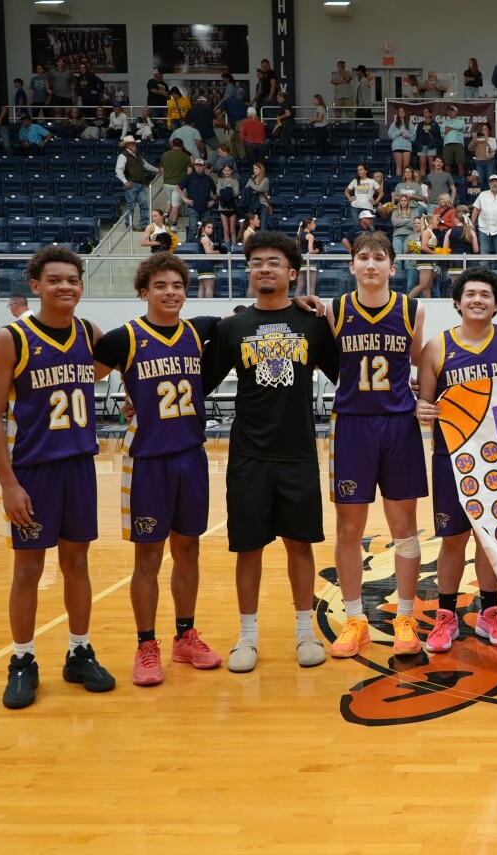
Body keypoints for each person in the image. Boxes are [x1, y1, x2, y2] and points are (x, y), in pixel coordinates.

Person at [0, 247, 115, 709]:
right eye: (55, 280)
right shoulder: (10, 337)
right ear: (35, 286)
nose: (66, 287)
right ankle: (22, 660)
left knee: (77, 565)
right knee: (29, 569)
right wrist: (9, 484)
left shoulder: (89, 332)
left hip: (79, 466)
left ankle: (79, 651)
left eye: (73, 280)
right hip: (33, 472)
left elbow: (110, 367)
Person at [200, 232, 340, 672]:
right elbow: (197, 383)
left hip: (298, 453)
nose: (265, 268)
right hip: (248, 456)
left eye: (274, 262)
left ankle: (305, 634)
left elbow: (348, 379)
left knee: (301, 546)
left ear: (292, 273)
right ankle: (248, 637)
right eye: (257, 261)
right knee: (249, 549)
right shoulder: (231, 327)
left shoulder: (313, 324)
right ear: (248, 270)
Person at [92, 254, 225, 685]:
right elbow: (80, 375)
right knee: (147, 556)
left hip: (191, 456)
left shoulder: (199, 330)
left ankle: (186, 636)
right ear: (144, 292)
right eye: (161, 285)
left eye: (178, 285)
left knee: (189, 549)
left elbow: (252, 319)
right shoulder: (123, 338)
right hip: (147, 459)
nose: (171, 292)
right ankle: (146, 646)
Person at [314, 230, 431, 658]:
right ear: (352, 266)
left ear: (392, 267)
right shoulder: (335, 309)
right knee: (349, 529)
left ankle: (404, 617)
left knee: (404, 528)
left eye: (378, 258)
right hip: (352, 427)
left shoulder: (412, 309)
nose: (370, 264)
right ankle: (354, 619)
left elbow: (418, 361)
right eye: (362, 257)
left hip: (399, 426)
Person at [413, 267, 497, 653]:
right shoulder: (437, 347)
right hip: (450, 459)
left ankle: (490, 613)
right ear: (457, 302)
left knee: (489, 539)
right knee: (453, 540)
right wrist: (421, 410)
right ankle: (446, 615)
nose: (478, 299)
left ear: (496, 304)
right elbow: (424, 403)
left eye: (485, 295)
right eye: (470, 294)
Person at [116, 135, 158, 230]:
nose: (134, 144)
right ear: (127, 145)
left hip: (138, 183)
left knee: (143, 204)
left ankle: (143, 225)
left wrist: (156, 169)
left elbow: (145, 165)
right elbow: (118, 170)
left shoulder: (136, 154)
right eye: (132, 143)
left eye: (134, 143)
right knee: (132, 205)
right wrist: (125, 181)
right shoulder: (123, 156)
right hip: (132, 183)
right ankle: (130, 225)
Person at [389, 106, 413, 177]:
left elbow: (414, 136)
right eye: (400, 111)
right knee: (399, 166)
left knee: (406, 167)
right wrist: (399, 133)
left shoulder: (410, 124)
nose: (401, 113)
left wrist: (407, 135)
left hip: (407, 147)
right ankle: (399, 183)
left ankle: (406, 182)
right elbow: (390, 135)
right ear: (398, 113)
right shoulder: (394, 124)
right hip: (397, 146)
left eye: (403, 111)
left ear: (405, 113)